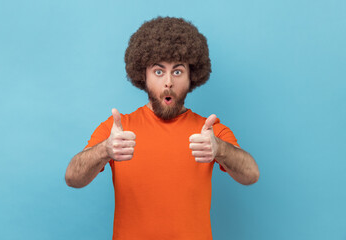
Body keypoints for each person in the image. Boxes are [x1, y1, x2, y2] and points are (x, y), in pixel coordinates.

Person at [65, 16, 259, 240]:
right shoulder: (117, 130)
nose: (168, 82)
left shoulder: (210, 133)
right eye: (159, 71)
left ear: (191, 77)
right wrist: (105, 150)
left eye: (177, 72)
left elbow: (251, 175)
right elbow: (72, 178)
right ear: (143, 75)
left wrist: (220, 149)